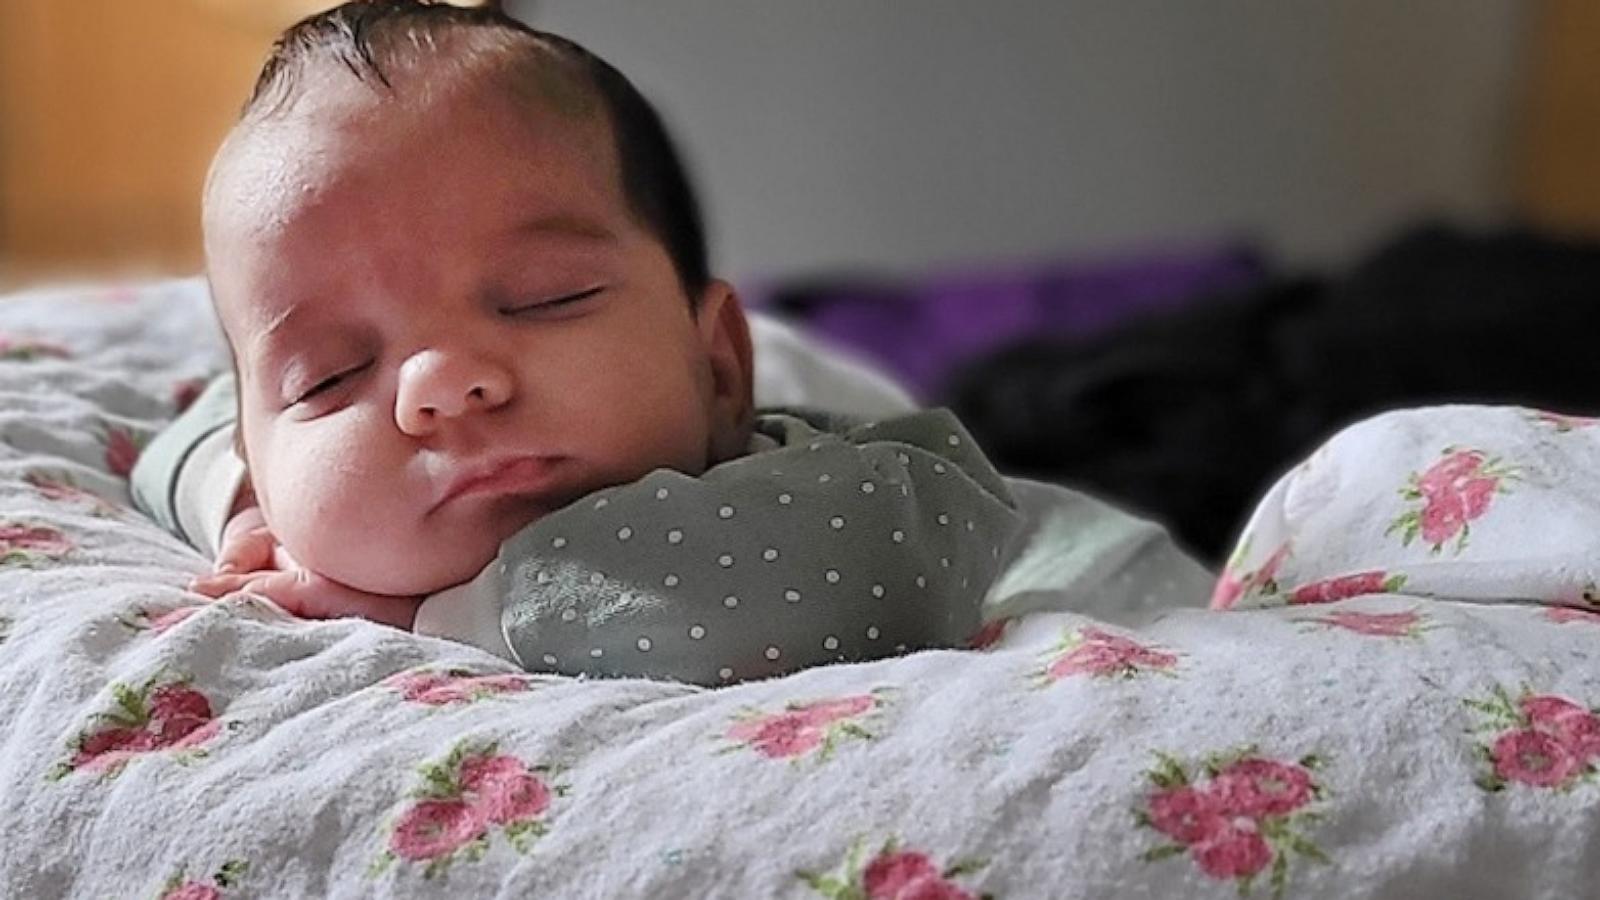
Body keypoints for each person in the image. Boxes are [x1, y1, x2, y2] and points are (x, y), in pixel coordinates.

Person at [134, 1, 1212, 684]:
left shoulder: (846, 509)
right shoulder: (265, 480)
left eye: (544, 298)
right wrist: (253, 509)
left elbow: (827, 592)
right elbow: (190, 435)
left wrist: (417, 608)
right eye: (330, 373)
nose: (444, 380)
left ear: (718, 367)